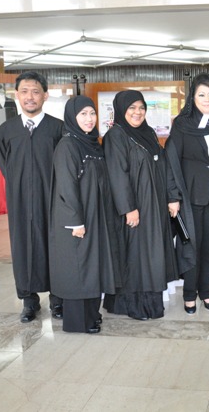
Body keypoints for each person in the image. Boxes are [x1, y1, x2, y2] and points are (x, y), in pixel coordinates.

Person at [102, 90, 178, 320]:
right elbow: (118, 174)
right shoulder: (116, 135)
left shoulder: (149, 133)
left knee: (151, 253)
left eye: (141, 108)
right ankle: (134, 305)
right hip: (135, 208)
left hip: (154, 205)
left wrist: (171, 197)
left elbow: (163, 165)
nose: (137, 112)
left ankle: (151, 303)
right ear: (121, 110)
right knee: (136, 255)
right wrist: (128, 208)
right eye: (132, 108)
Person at [0, 71, 64, 323]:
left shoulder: (58, 128)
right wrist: (21, 187)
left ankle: (58, 299)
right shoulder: (7, 130)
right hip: (20, 200)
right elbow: (5, 166)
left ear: (45, 95)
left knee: (54, 246)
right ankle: (28, 301)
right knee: (23, 247)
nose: (30, 97)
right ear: (17, 95)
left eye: (36, 91)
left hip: (52, 198)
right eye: (24, 91)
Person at [49, 96, 120, 334]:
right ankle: (78, 322)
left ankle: (91, 315)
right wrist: (75, 221)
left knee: (92, 267)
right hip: (77, 219)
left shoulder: (91, 143)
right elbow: (66, 186)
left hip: (95, 216)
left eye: (92, 113)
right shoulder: (68, 146)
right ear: (72, 117)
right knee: (78, 269)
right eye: (83, 114)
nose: (89, 119)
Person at [165, 73, 209, 314]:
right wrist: (173, 197)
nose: (207, 99)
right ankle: (189, 294)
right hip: (189, 197)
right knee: (191, 247)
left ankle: (206, 292)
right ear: (192, 98)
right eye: (201, 94)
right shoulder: (182, 125)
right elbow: (171, 162)